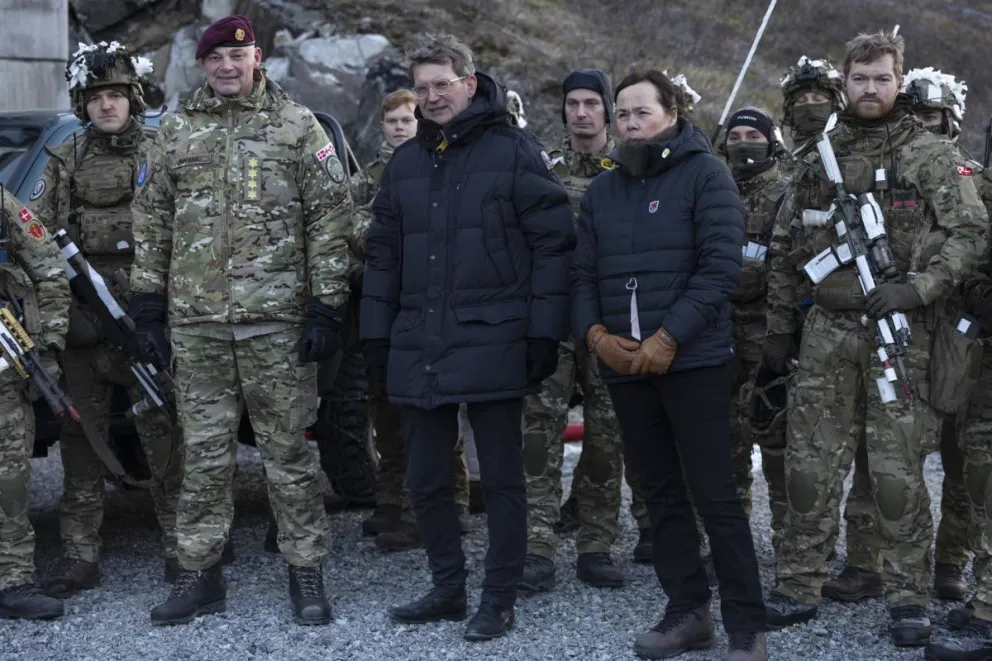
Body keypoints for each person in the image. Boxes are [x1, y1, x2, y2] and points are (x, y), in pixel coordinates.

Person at [763, 31, 989, 648]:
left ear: (899, 81)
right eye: (859, 78)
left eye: (882, 78)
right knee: (809, 467)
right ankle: (799, 582)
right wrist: (781, 331)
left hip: (902, 335)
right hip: (827, 333)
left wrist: (918, 289)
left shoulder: (930, 154)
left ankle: (907, 596)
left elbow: (971, 233)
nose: (870, 89)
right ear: (844, 81)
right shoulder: (817, 156)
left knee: (897, 476)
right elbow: (785, 249)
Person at [130, 14, 354, 626]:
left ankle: (305, 572)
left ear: (257, 57)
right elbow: (150, 223)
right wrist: (147, 305)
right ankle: (199, 574)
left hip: (276, 324)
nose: (227, 68)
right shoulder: (175, 130)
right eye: (215, 60)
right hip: (196, 327)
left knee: (289, 455)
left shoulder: (297, 126)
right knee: (202, 455)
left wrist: (327, 305)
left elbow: (331, 220)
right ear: (203, 66)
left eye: (238, 57)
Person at [361, 32, 574, 641]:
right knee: (426, 477)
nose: (431, 98)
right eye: (422, 87)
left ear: (470, 84)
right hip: (419, 341)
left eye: (442, 86)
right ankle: (448, 588)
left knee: (503, 479)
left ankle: (498, 597)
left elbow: (553, 244)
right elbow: (382, 256)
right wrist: (377, 337)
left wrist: (543, 334)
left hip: (495, 339)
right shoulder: (405, 164)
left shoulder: (513, 151)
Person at [572, 68, 766, 661]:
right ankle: (687, 611)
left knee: (715, 493)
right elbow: (580, 274)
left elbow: (719, 270)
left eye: (642, 112)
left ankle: (746, 624)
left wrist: (669, 337)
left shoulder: (706, 174)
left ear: (672, 113)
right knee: (659, 492)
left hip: (693, 361)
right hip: (624, 365)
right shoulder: (604, 189)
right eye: (623, 113)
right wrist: (595, 335)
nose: (630, 123)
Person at [30, 40, 187, 598]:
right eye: (95, 96)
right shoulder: (66, 157)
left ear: (133, 97)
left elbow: (188, 231)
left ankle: (184, 548)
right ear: (83, 103)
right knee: (82, 437)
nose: (106, 106)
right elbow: (37, 237)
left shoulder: (163, 149)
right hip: (85, 312)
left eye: (116, 95)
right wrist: (61, 310)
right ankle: (79, 555)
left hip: (149, 314)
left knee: (162, 428)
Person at [520, 68, 626, 595]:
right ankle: (536, 545)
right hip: (553, 316)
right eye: (572, 103)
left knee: (608, 436)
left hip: (609, 318)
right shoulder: (542, 167)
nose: (581, 113)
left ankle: (596, 544)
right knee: (538, 431)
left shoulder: (630, 166)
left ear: (608, 110)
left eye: (591, 103)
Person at [354, 89, 473, 551]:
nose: (401, 127)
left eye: (409, 119)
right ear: (381, 126)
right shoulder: (368, 179)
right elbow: (349, 226)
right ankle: (392, 497)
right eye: (393, 121)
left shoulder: (435, 164)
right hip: (382, 301)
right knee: (386, 407)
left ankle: (452, 502)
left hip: (430, 300)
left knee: (437, 407)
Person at [719, 107, 789, 559]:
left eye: (753, 135)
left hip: (769, 336)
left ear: (771, 142)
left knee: (779, 443)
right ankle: (730, 543)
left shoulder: (787, 193)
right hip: (719, 333)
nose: (744, 143)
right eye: (736, 135)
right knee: (726, 442)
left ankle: (791, 544)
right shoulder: (711, 189)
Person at [0, 188, 70, 620]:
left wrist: (47, 345)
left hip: (4, 363)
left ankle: (12, 580)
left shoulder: (3, 204)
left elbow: (49, 269)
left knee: (9, 475)